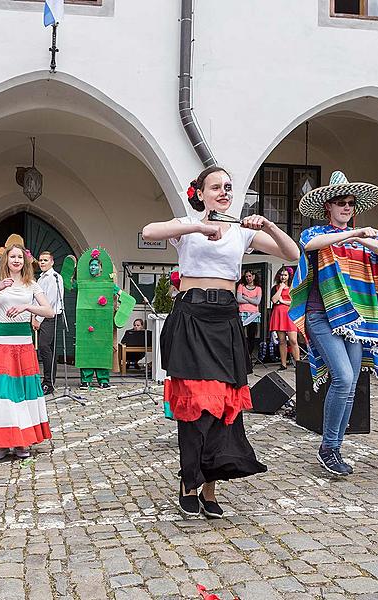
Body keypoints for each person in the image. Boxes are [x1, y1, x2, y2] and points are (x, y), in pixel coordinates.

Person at [142, 165, 299, 518]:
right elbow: (148, 231)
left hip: (225, 321)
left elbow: (291, 253)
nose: (224, 192)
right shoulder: (187, 226)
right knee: (194, 406)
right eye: (216, 187)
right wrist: (197, 225)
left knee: (223, 409)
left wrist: (268, 225)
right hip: (191, 320)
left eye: (228, 186)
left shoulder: (240, 232)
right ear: (200, 192)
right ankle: (189, 483)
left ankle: (210, 487)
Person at [289, 171, 378, 476]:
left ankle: (335, 447)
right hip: (321, 314)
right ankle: (328, 447)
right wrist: (353, 235)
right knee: (342, 377)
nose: (347, 207)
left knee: (352, 384)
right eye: (341, 202)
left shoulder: (368, 237)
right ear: (328, 206)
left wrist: (367, 239)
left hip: (358, 320)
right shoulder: (316, 233)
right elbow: (311, 245)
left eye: (351, 203)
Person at [0, 244, 54, 460]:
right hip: (1, 342)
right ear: (7, 260)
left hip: (23, 343)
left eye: (20, 256)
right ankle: (1, 443)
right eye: (13, 256)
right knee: (3, 393)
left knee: (21, 393)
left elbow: (49, 311)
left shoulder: (32, 285)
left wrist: (27, 308)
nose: (17, 260)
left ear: (25, 261)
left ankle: (21, 441)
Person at [33, 250, 64, 394]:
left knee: (45, 347)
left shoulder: (54, 277)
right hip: (40, 316)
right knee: (46, 349)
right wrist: (33, 316)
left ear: (52, 262)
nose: (42, 263)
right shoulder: (40, 278)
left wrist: (38, 319)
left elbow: (49, 301)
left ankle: (48, 382)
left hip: (50, 317)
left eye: (45, 260)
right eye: (40, 260)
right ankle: (47, 380)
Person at [269, 265, 300, 371]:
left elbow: (295, 302)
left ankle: (298, 364)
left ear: (289, 276)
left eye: (285, 275)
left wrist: (282, 301)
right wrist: (281, 288)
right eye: (281, 275)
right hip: (278, 315)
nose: (283, 277)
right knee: (281, 341)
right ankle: (283, 364)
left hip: (290, 315)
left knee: (293, 340)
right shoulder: (275, 288)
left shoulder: (293, 287)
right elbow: (273, 300)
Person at [236, 270, 262, 358]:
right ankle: (241, 355)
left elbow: (257, 301)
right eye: (246, 276)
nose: (248, 278)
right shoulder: (241, 286)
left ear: (253, 276)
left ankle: (249, 356)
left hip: (254, 314)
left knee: (252, 336)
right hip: (242, 312)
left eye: (250, 276)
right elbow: (238, 299)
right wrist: (252, 300)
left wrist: (245, 297)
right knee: (241, 335)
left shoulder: (258, 288)